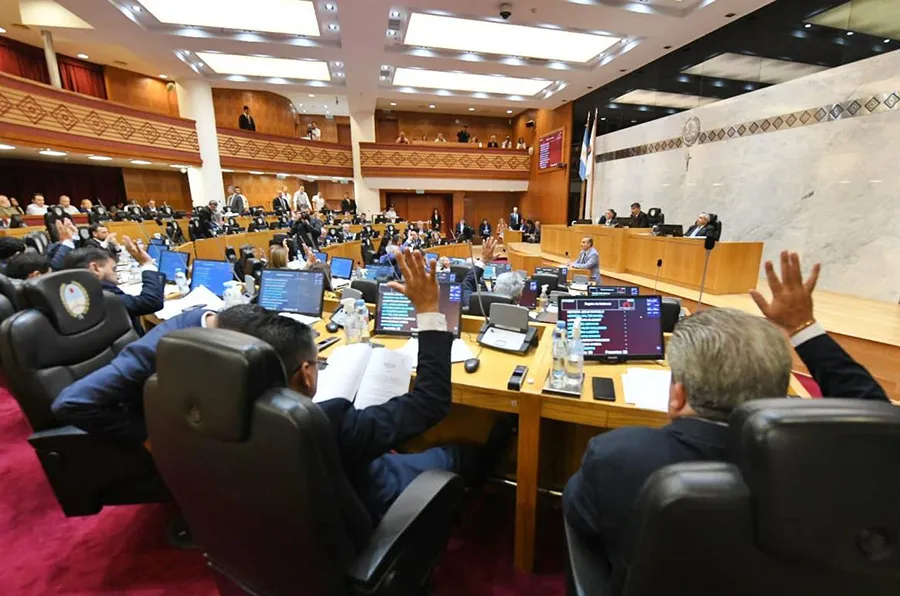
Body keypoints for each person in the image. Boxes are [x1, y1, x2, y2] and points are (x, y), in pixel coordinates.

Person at [563, 252, 889, 573]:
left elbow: (579, 517)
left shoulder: (617, 456)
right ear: (780, 392)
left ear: (678, 395)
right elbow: (876, 416)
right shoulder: (840, 465)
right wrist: (803, 328)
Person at [51, 305, 253, 445]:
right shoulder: (147, 357)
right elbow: (70, 402)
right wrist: (148, 438)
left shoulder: (205, 318)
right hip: (160, 422)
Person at [61, 237, 165, 336]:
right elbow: (152, 301)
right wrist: (147, 263)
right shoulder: (101, 294)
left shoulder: (74, 292)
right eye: (114, 269)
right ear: (95, 268)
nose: (117, 274)